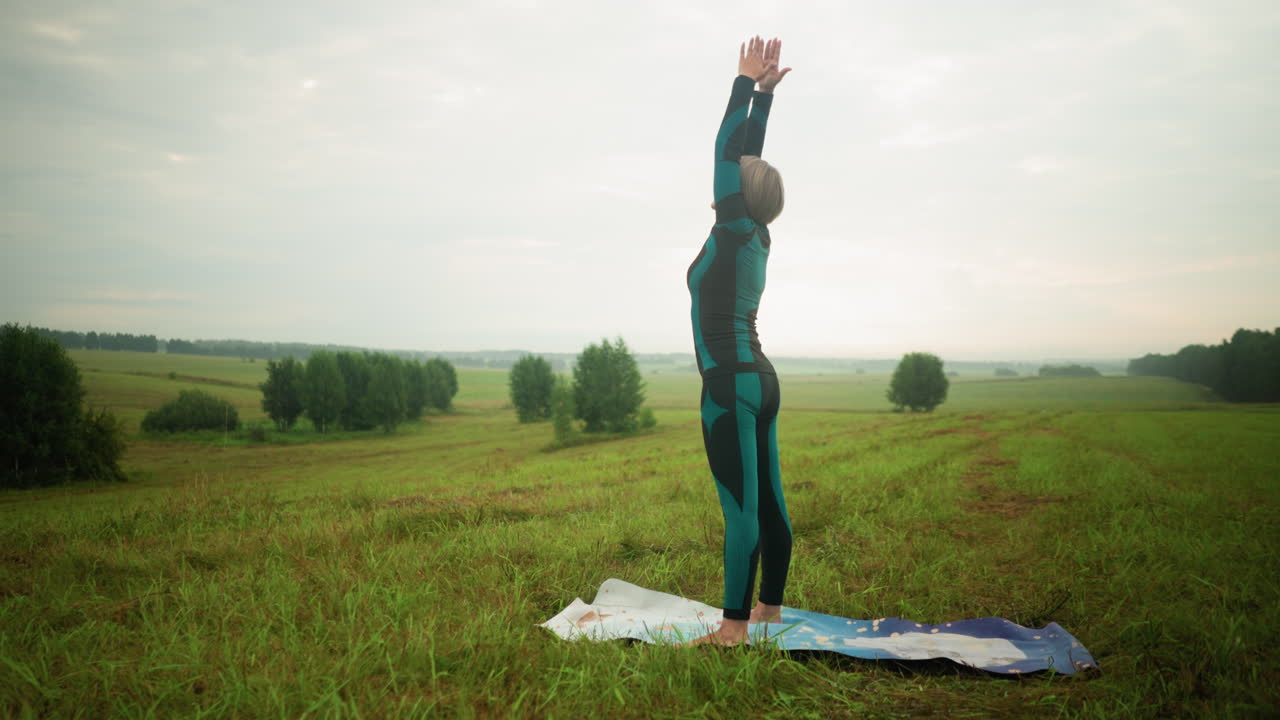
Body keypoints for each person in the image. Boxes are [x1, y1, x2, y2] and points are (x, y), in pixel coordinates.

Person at [684, 36, 793, 647]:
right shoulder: (757, 234)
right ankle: (768, 612)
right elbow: (748, 160)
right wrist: (766, 102)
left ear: (738, 194)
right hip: (763, 379)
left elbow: (728, 152)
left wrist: (743, 85)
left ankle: (731, 629)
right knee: (771, 502)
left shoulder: (732, 227)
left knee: (741, 509)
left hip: (728, 383)